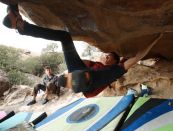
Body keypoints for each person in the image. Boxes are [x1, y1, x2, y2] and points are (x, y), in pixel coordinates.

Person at [2, 4, 163, 98]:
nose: (105, 57)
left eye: (108, 57)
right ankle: (23, 27)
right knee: (65, 37)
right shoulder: (96, 65)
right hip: (79, 71)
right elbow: (83, 63)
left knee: (81, 78)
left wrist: (154, 42)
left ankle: (62, 82)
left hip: (87, 82)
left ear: (115, 61)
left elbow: (136, 58)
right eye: (106, 55)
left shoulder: (112, 72)